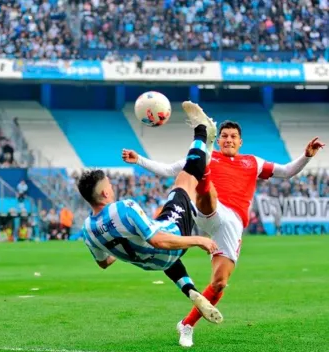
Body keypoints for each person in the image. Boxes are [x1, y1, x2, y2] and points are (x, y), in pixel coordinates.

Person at [122, 101, 325, 347]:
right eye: (224, 136)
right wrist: (139, 160)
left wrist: (306, 156)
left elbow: (286, 171)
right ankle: (204, 165)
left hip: (233, 223)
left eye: (233, 137)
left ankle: (186, 325)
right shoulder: (206, 158)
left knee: (219, 283)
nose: (229, 140)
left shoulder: (253, 162)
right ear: (219, 141)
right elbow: (167, 170)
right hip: (207, 208)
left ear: (240, 142)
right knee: (206, 191)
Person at [78, 123, 224, 325]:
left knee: (159, 251)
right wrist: (198, 240)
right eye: (110, 186)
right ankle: (201, 129)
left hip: (154, 263)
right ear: (104, 193)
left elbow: (103, 263)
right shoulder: (124, 208)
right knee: (186, 178)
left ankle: (191, 291)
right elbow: (159, 241)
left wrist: (122, 244)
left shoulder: (87, 230)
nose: (112, 188)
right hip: (170, 239)